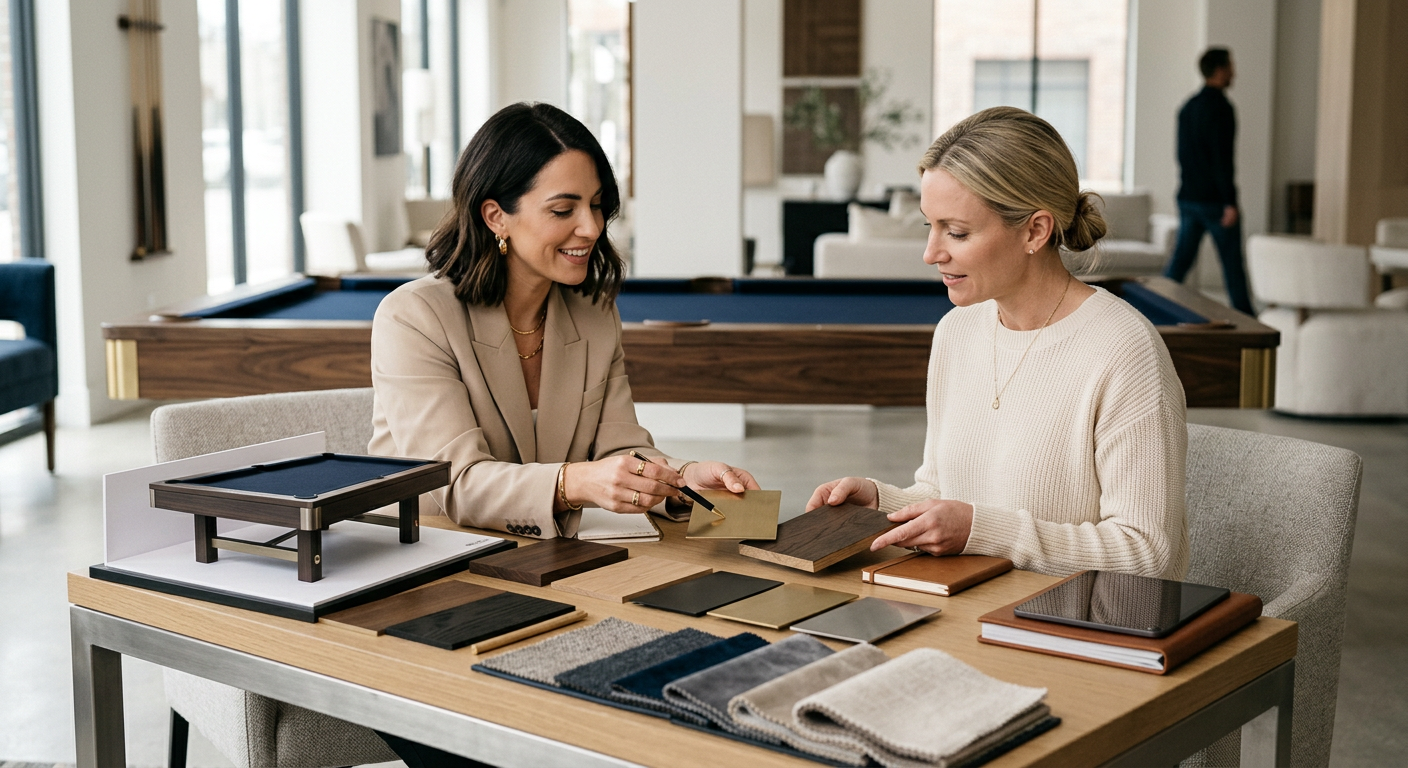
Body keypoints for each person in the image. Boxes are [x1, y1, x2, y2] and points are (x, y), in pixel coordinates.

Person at [368, 101, 761, 767]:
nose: (591, 227)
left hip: (549, 581)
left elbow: (619, 447)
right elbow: (454, 483)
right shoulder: (414, 317)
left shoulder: (593, 314)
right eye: (564, 208)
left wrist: (677, 479)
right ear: (496, 215)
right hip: (426, 594)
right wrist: (579, 483)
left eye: (599, 205)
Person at [807, 106, 1189, 580]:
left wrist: (982, 532)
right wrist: (882, 503)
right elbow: (945, 489)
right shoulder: (956, 331)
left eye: (958, 232)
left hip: (1071, 630)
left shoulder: (1124, 350)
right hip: (966, 605)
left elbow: (1149, 554)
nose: (931, 254)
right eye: (930, 226)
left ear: (1035, 230)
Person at [1163, 47, 1253, 315]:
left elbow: (1181, 155)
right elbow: (1222, 160)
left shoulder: (1188, 108)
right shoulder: (1222, 108)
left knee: (1179, 265)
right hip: (1215, 203)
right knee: (1233, 268)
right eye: (1231, 66)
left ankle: (1150, 312)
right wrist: (1230, 202)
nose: (1234, 71)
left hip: (1188, 198)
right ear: (1220, 70)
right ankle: (1250, 326)